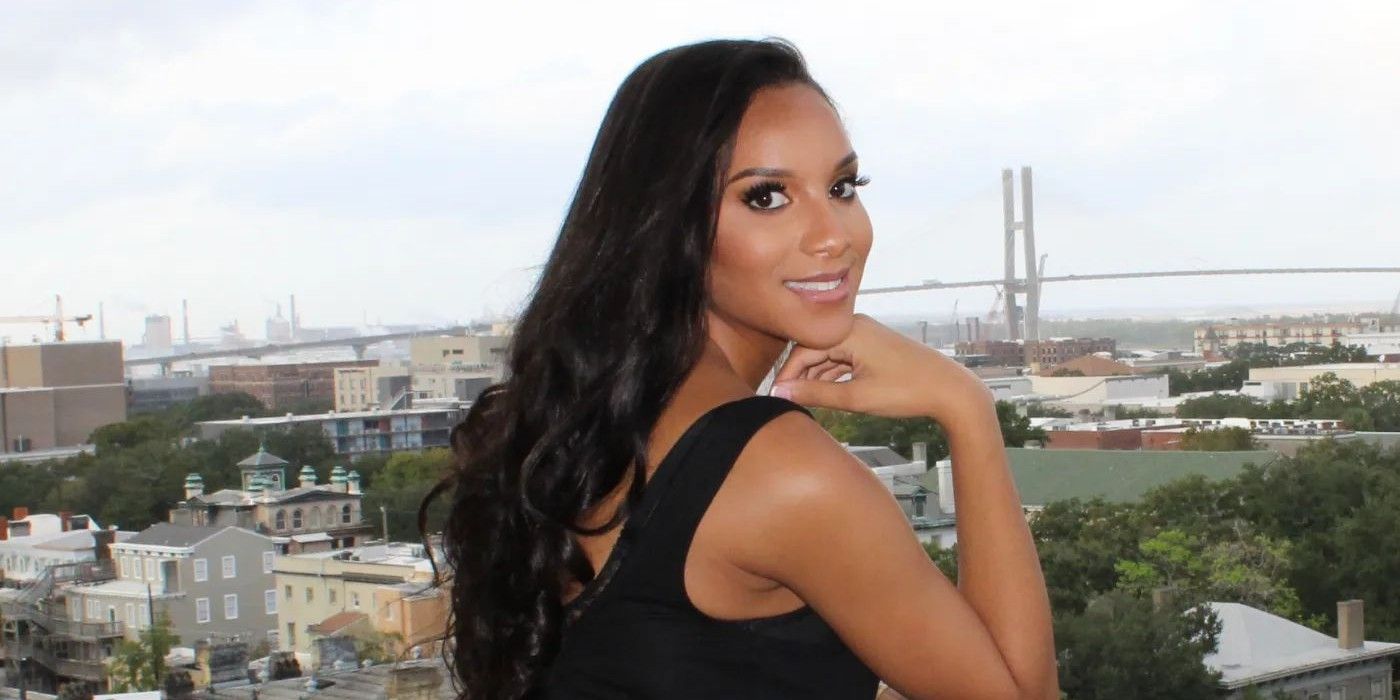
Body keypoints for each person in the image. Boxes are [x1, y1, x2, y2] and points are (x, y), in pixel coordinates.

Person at [423, 38, 1059, 699]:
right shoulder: (781, 472)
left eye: (842, 187)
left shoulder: (588, 418)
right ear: (668, 223)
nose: (834, 234)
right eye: (766, 197)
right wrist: (967, 408)